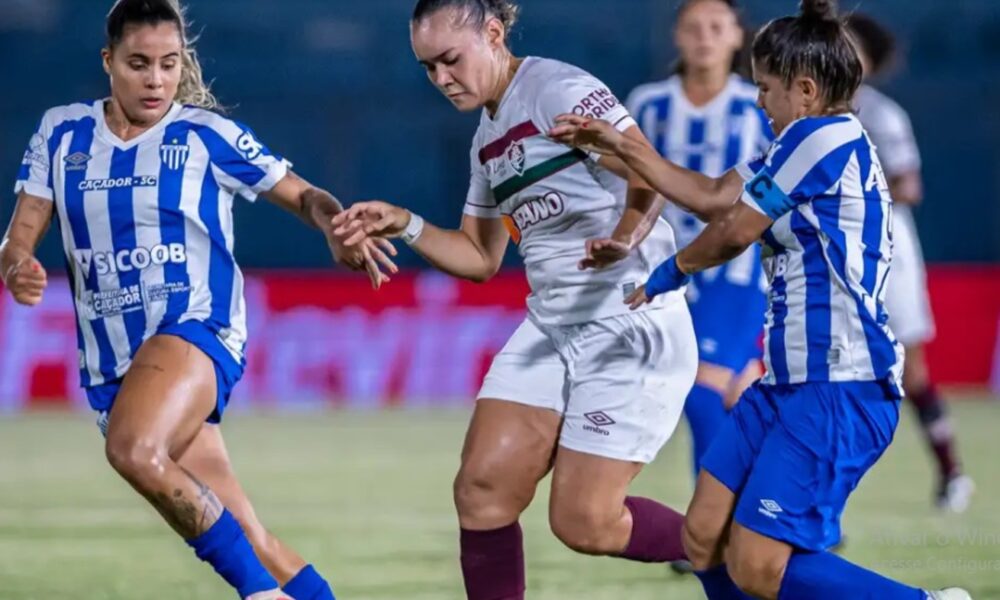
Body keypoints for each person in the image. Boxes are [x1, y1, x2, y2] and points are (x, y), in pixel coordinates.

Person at [550, 0, 972, 598]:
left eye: (766, 88)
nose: (758, 101)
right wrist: (622, 147)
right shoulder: (798, 144)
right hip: (785, 384)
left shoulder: (824, 137)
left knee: (757, 565)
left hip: (839, 386)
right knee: (701, 538)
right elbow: (713, 193)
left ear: (803, 90)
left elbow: (734, 230)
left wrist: (671, 271)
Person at [0, 1, 396, 598]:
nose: (156, 79)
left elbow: (303, 194)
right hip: (115, 364)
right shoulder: (62, 132)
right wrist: (17, 263)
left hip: (195, 328)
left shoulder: (204, 134)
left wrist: (333, 223)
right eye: (138, 64)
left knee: (133, 449)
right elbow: (22, 230)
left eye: (168, 63)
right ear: (109, 62)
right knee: (249, 534)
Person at [333, 1, 699, 598]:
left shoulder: (557, 89)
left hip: (628, 321)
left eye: (450, 60)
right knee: (481, 490)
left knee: (585, 521)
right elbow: (480, 258)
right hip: (553, 329)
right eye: (427, 68)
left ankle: (738, 551)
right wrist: (403, 222)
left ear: (495, 34)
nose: (441, 79)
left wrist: (626, 238)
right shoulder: (487, 139)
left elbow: (646, 169)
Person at [625, 0, 772, 481]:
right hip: (667, 270)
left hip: (738, 270)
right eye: (693, 28)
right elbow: (631, 182)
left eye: (716, 27)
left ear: (736, 37)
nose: (704, 37)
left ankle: (710, 537)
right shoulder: (648, 104)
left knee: (700, 388)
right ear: (677, 37)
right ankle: (773, 516)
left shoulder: (758, 106)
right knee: (737, 396)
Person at [847, 12, 974, 513]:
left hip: (888, 248)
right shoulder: (802, 113)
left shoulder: (881, 114)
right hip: (830, 251)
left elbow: (909, 185)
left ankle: (951, 470)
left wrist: (854, 188)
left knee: (911, 370)